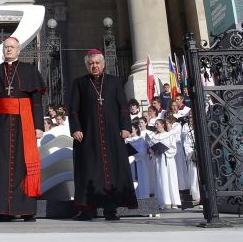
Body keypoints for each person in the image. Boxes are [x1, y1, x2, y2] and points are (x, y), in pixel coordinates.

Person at [0, 36, 46, 222]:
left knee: (23, 165)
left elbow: (37, 102)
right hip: (0, 125)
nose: (9, 50)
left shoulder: (29, 70)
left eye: (12, 47)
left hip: (24, 123)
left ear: (18, 50)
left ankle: (25, 210)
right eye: (6, 47)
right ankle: (1, 210)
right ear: (3, 50)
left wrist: (38, 126)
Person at [68, 49, 138, 220]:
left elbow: (123, 106)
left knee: (112, 170)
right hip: (88, 135)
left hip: (112, 134)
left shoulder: (114, 82)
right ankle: (87, 210)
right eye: (91, 63)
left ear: (103, 64)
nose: (94, 66)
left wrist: (126, 127)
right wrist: (76, 128)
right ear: (87, 65)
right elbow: (74, 109)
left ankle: (111, 210)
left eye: (97, 63)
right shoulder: (80, 83)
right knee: (89, 171)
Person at [146, 118, 181, 210]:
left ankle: (174, 202)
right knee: (161, 180)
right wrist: (153, 151)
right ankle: (162, 201)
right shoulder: (154, 137)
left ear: (162, 125)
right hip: (158, 160)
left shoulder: (169, 135)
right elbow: (151, 149)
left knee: (170, 179)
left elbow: (174, 148)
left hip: (168, 161)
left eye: (157, 124)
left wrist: (165, 151)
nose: (155, 126)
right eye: (155, 124)